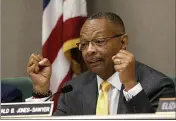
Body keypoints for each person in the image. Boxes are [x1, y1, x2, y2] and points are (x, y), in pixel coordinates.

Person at [26, 12, 175, 115]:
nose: (89, 51)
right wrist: (41, 92)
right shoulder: (73, 89)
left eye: (99, 42)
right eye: (84, 44)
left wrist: (131, 85)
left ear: (123, 42)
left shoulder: (158, 86)